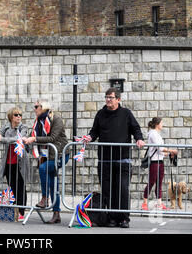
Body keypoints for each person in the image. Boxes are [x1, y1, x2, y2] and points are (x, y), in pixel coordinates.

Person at [84, 87, 145, 228]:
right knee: (107, 190)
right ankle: (111, 218)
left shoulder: (126, 113)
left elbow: (135, 128)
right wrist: (89, 137)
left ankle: (124, 219)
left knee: (122, 189)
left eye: (110, 97)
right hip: (105, 160)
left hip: (122, 159)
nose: (107, 100)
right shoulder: (100, 114)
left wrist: (139, 139)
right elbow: (94, 131)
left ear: (118, 99)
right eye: (106, 97)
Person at [23, 100, 69, 224]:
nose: (34, 109)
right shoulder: (38, 121)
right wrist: (27, 139)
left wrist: (35, 139)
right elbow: (34, 135)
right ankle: (56, 213)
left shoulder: (56, 119)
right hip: (48, 155)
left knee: (43, 169)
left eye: (37, 107)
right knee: (53, 183)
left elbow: (52, 138)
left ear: (44, 108)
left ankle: (44, 198)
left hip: (60, 154)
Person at [0, 107, 30, 221]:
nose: (19, 116)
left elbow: (17, 139)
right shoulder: (6, 126)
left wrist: (2, 139)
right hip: (8, 162)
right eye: (16, 115)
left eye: (20, 115)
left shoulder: (23, 127)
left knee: (20, 187)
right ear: (11, 117)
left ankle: (21, 211)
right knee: (12, 187)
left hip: (20, 162)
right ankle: (14, 209)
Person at [142, 117, 177, 211]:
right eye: (162, 123)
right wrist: (171, 150)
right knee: (151, 182)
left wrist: (169, 153)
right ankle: (144, 203)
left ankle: (159, 203)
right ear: (157, 124)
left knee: (159, 183)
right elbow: (160, 148)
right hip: (154, 162)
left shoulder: (157, 134)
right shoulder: (153, 134)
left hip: (159, 161)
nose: (163, 125)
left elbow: (161, 151)